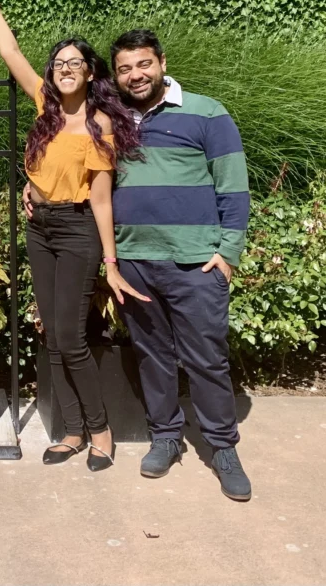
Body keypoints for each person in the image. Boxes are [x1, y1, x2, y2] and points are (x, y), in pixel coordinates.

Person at [0, 0, 147, 472]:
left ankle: (100, 431)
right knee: (50, 334)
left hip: (77, 230)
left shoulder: (100, 125)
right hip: (39, 228)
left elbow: (102, 200)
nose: (65, 69)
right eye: (59, 63)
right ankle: (71, 430)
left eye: (75, 63)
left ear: (91, 72)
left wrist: (111, 262)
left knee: (71, 339)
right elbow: (10, 54)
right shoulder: (45, 103)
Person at [109, 29, 252, 502]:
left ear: (162, 63)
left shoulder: (206, 112)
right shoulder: (111, 118)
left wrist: (228, 252)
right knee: (152, 355)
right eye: (125, 68)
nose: (135, 75)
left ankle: (223, 448)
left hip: (196, 263)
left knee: (206, 359)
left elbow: (233, 186)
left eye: (143, 64)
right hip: (135, 260)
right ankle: (166, 437)